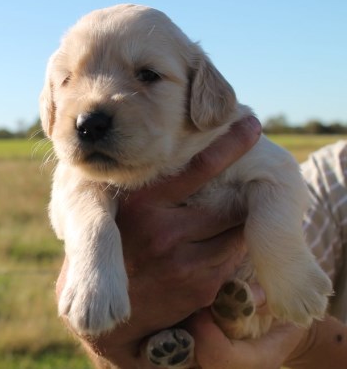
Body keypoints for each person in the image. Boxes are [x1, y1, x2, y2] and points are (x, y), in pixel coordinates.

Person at [55, 117, 347, 368]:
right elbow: (285, 285)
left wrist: (305, 340)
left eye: (147, 76)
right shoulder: (333, 176)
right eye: (67, 79)